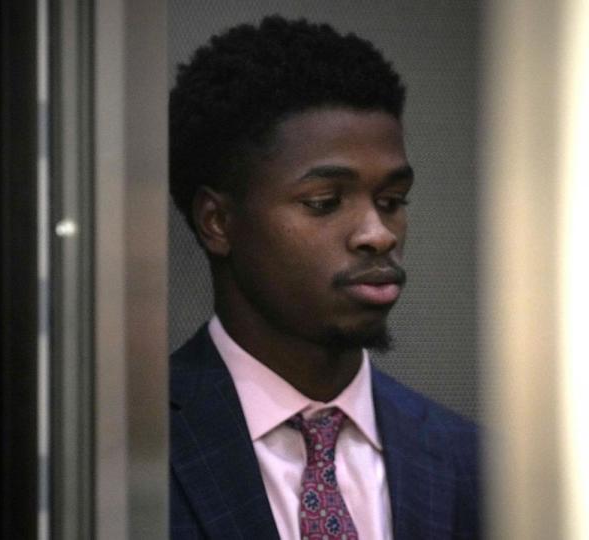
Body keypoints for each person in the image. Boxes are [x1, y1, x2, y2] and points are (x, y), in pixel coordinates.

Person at [168, 15, 480, 540]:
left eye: (392, 201)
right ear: (217, 222)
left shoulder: (474, 464)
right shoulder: (124, 451)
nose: (379, 234)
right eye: (324, 203)